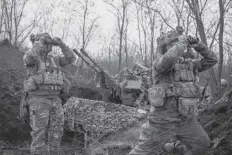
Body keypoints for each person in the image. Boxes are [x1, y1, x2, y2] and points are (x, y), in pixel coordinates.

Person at [129, 27, 218, 155]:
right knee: (141, 152)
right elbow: (169, 59)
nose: (181, 48)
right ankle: (162, 145)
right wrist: (181, 42)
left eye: (180, 44)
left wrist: (198, 45)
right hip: (161, 123)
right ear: (165, 48)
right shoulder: (159, 65)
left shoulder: (191, 65)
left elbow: (212, 60)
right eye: (173, 45)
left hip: (187, 122)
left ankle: (173, 147)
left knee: (203, 146)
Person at [23, 33, 76, 155]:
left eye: (48, 44)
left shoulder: (54, 59)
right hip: (39, 100)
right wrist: (40, 41)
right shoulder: (32, 58)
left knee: (57, 132)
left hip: (56, 100)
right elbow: (28, 56)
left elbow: (71, 58)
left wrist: (61, 44)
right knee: (39, 134)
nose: (48, 46)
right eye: (45, 43)